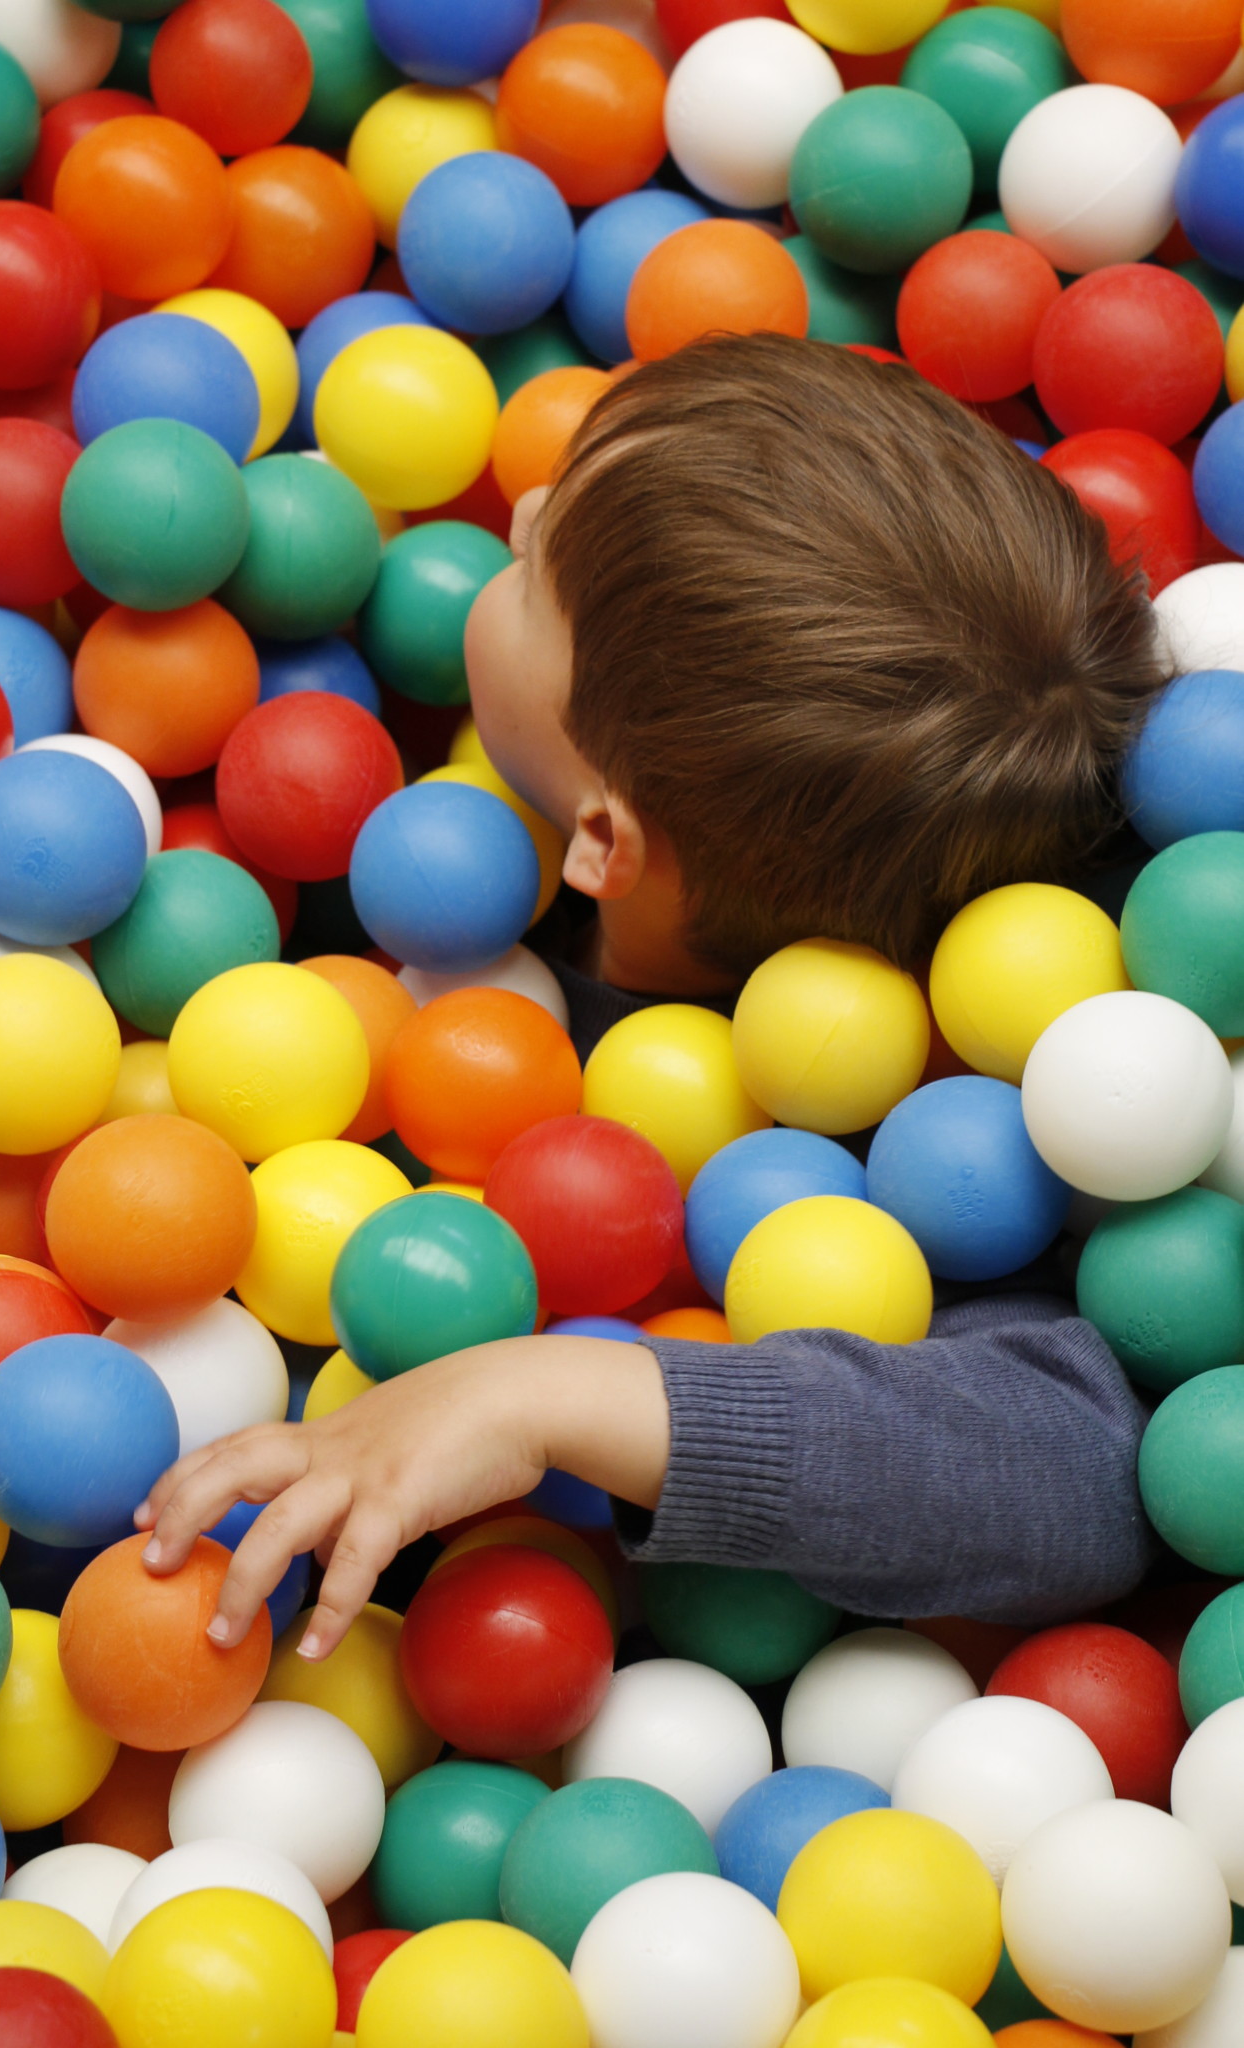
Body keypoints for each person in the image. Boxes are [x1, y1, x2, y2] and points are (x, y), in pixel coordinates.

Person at [137, 336, 1165, 1661]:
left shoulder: (936, 1140)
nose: (508, 511)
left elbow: (1087, 1478)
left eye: (534, 567)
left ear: (603, 842)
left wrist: (553, 1393)